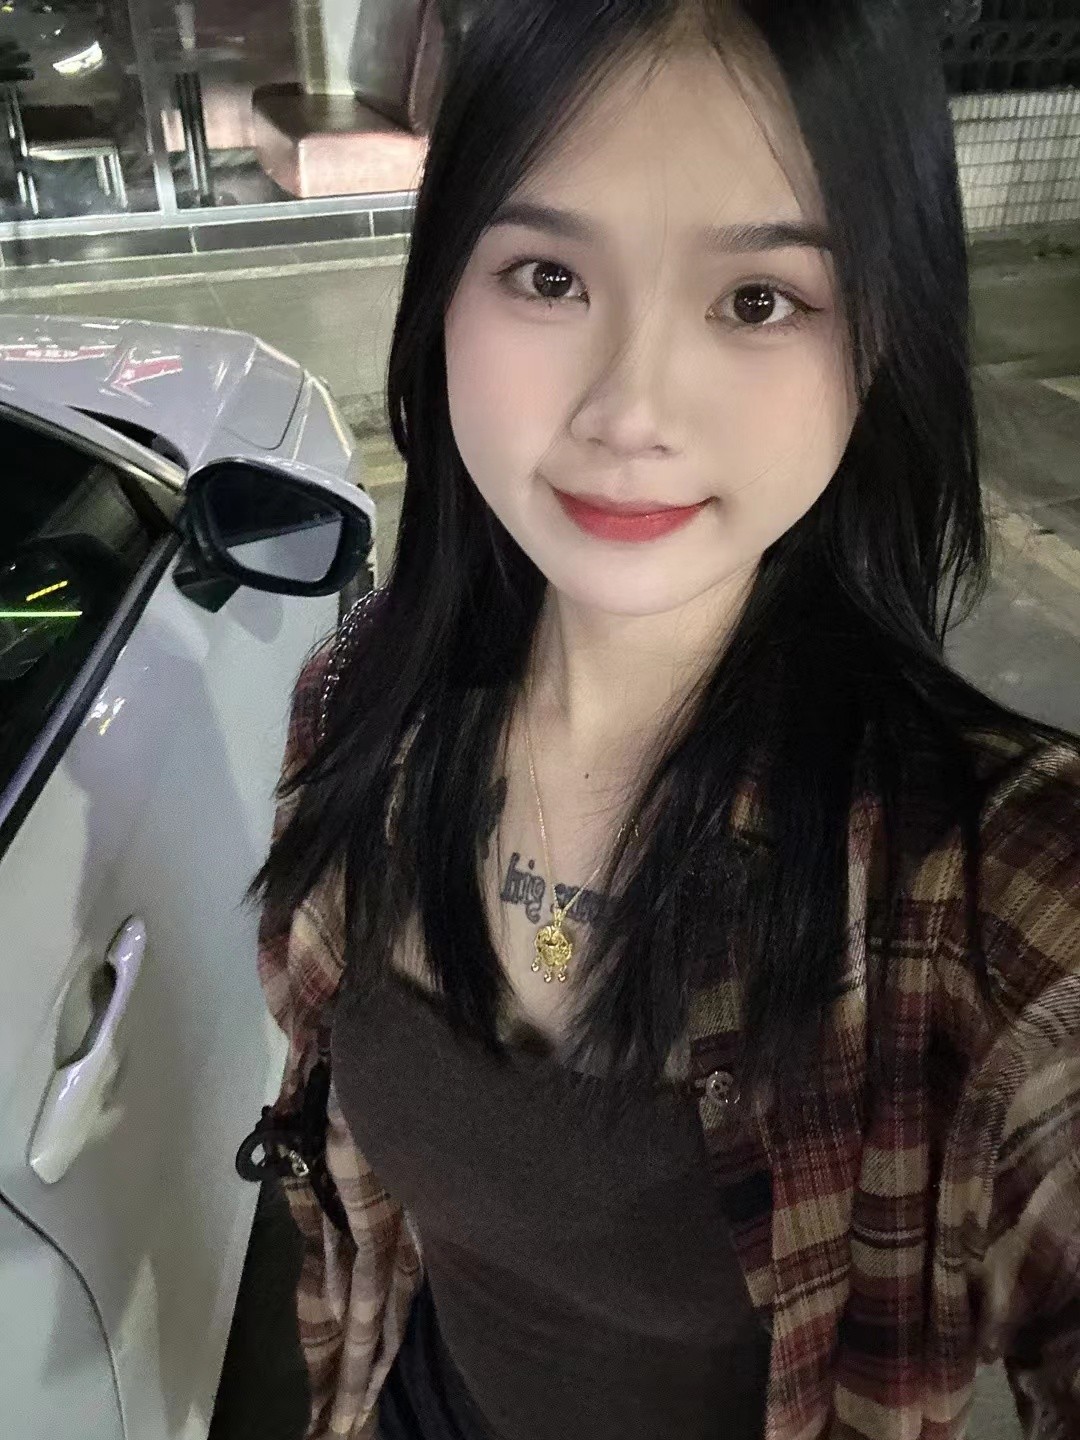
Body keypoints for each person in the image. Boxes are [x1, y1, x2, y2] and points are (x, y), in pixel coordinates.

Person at [248, 2, 1080, 1437]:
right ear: (442, 292)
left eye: (757, 300)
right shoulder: (355, 709)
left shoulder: (992, 888)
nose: (631, 410)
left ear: (882, 335)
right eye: (549, 276)